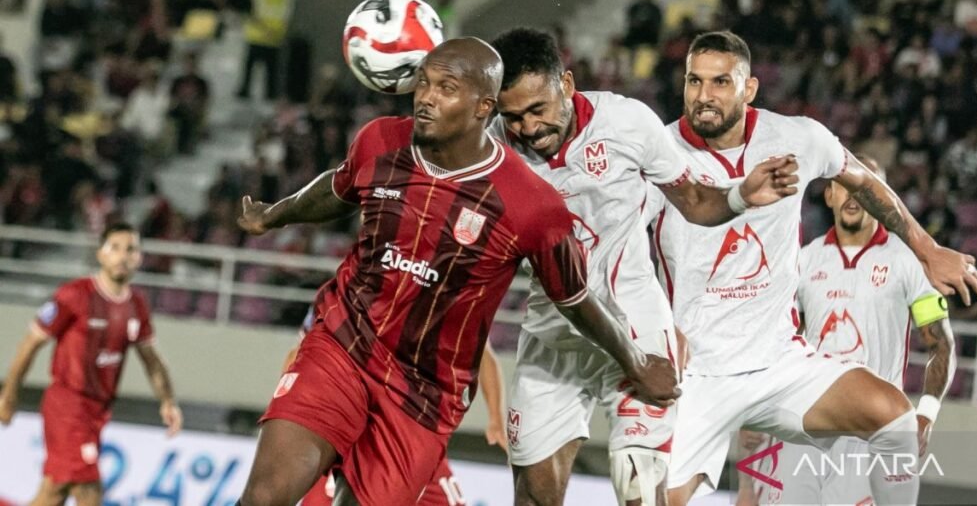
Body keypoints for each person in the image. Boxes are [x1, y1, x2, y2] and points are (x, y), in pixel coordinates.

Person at [233, 38, 680, 506]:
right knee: (265, 497)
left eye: (446, 88)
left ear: (483, 107)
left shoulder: (530, 203)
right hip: (343, 344)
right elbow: (339, 186)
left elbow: (573, 298)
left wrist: (635, 361)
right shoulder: (380, 141)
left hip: (425, 392)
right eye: (424, 83)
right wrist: (275, 214)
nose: (426, 96)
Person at [647, 31, 977, 506]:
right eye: (694, 81)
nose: (704, 96)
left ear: (749, 88)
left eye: (720, 81)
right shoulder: (656, 152)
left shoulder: (797, 137)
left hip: (780, 362)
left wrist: (926, 249)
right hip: (699, 371)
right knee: (660, 500)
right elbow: (617, 252)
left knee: (895, 419)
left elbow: (863, 180)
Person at [489, 27, 799, 506]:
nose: (529, 129)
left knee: (639, 485)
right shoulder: (492, 149)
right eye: (514, 117)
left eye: (538, 110)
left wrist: (739, 195)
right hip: (554, 339)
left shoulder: (627, 123)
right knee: (532, 498)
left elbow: (692, 198)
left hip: (635, 330)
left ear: (567, 85)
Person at [739, 156, 956, 505]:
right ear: (829, 196)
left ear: (883, 197)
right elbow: (778, 342)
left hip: (872, 433)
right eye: (843, 185)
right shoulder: (803, 261)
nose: (853, 194)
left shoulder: (907, 262)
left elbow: (941, 344)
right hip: (805, 427)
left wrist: (926, 414)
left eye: (866, 186)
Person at [0, 222, 183, 506]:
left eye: (130, 249)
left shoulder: (137, 305)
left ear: (139, 258)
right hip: (68, 406)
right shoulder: (74, 295)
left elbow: (152, 360)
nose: (123, 256)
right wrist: (9, 395)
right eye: (115, 248)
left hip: (98, 411)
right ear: (100, 254)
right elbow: (29, 345)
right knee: (89, 491)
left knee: (54, 492)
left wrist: (168, 401)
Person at [288, 307, 508, 506]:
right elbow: (300, 352)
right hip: (362, 432)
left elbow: (483, 353)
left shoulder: (440, 291)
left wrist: (496, 419)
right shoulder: (344, 293)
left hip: (406, 431)